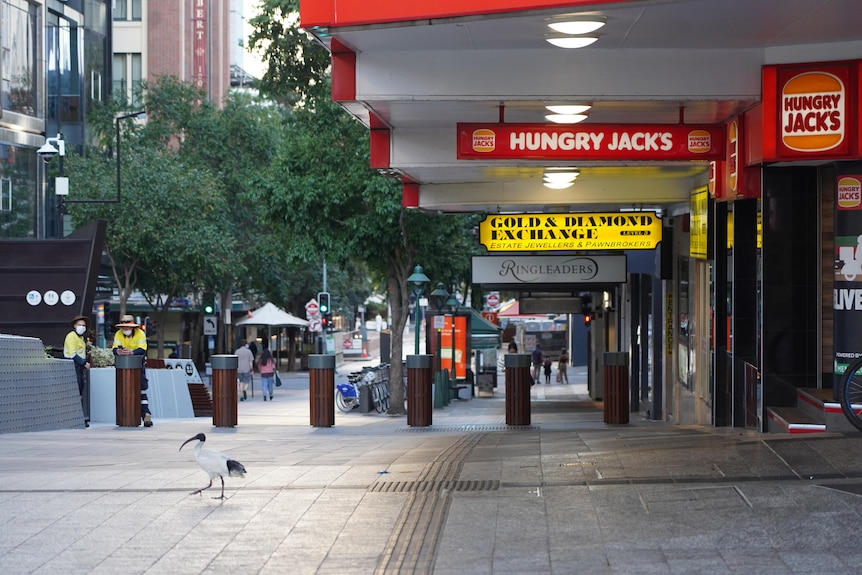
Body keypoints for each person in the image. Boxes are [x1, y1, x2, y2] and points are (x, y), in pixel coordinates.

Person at [112, 314, 153, 427]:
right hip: (124, 368)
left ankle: (146, 415)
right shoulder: (118, 334)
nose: (126, 329)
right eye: (124, 327)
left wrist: (132, 352)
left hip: (138, 366)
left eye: (128, 327)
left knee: (141, 389)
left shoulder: (140, 334)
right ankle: (129, 416)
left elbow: (142, 349)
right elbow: (115, 348)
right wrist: (118, 352)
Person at [64, 314, 92, 424]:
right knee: (75, 393)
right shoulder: (71, 336)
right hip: (72, 367)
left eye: (83, 325)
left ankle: (78, 418)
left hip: (78, 368)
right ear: (75, 325)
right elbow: (72, 354)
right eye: (79, 325)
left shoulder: (80, 338)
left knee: (79, 392)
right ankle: (74, 418)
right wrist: (84, 363)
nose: (81, 327)